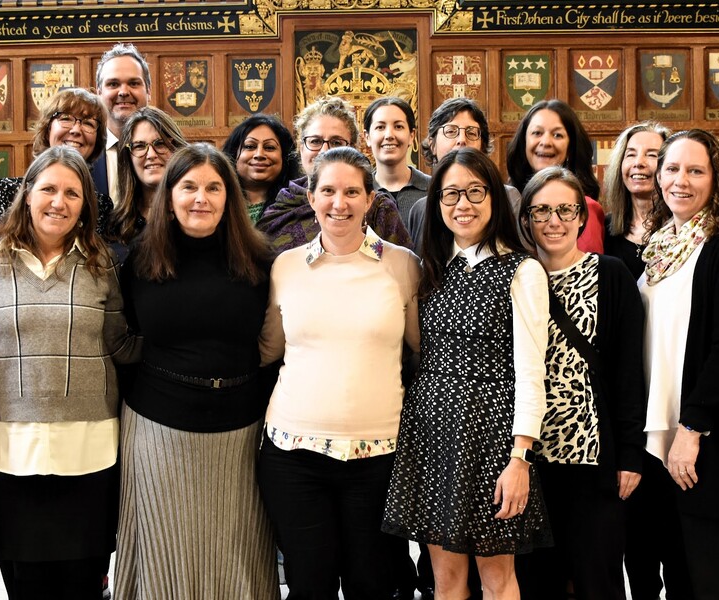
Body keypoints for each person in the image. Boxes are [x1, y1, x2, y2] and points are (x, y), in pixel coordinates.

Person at [0, 146, 137, 599]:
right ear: (27, 195)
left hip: (89, 448)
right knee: (25, 587)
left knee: (83, 585)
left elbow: (120, 341)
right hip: (11, 449)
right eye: (47, 189)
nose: (58, 202)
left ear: (86, 206)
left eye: (72, 193)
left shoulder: (107, 263)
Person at [384, 147, 550, 600]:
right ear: (436, 203)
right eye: (451, 193)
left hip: (494, 437)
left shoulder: (522, 269)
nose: (463, 204)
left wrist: (520, 458)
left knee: (497, 577)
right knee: (446, 579)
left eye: (475, 192)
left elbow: (532, 372)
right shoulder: (431, 269)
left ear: (495, 198)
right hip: (433, 432)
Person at [115, 144, 278, 599]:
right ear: (169, 196)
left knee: (237, 552)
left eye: (213, 187)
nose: (200, 198)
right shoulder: (139, 262)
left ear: (231, 198)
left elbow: (272, 347)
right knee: (165, 553)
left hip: (240, 432)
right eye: (188, 187)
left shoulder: (261, 261)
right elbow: (124, 341)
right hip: (157, 430)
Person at [257, 147, 421, 600]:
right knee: (311, 584)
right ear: (311, 198)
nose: (339, 203)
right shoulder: (286, 267)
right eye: (327, 190)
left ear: (371, 199)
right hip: (293, 456)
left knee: (373, 583)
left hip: (379, 457)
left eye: (352, 191)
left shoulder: (402, 265)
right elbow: (269, 349)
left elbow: (421, 350)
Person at [631, 129, 719, 600]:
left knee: (713, 579)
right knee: (677, 574)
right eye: (672, 169)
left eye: (695, 170)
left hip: (706, 440)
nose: (680, 181)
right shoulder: (657, 248)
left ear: (717, 179)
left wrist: (690, 431)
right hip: (658, 438)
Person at [513, 166, 646, 600]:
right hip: (528, 461)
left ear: (582, 218)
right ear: (526, 218)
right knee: (537, 582)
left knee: (598, 579)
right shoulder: (514, 278)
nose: (554, 221)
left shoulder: (610, 275)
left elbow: (628, 373)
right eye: (542, 210)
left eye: (566, 210)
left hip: (592, 458)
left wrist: (630, 454)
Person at [256, 95, 410, 253]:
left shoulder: (379, 209)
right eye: (315, 141)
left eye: (336, 142)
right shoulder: (279, 211)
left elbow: (401, 270)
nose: (324, 151)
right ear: (301, 148)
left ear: (354, 149)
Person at [0, 88, 114, 251]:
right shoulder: (1, 192)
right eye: (66, 119)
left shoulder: (101, 206)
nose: (76, 130)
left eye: (88, 123)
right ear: (47, 128)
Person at [404, 98, 518, 248]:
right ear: (432, 145)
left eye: (471, 133)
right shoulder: (420, 209)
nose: (462, 140)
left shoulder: (509, 198)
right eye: (451, 131)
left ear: (483, 146)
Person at [506, 100, 605, 253]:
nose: (545, 142)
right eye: (537, 133)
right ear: (523, 142)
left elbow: (588, 271)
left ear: (571, 147)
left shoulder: (586, 209)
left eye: (557, 135)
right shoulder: (506, 202)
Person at [107, 106, 187, 246]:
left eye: (160, 144)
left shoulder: (196, 214)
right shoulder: (115, 225)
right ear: (128, 158)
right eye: (139, 146)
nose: (151, 155)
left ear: (176, 149)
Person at [601, 122, 671, 280]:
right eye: (631, 154)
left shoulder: (682, 229)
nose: (638, 163)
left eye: (652, 155)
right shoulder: (603, 228)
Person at [92, 42, 152, 199]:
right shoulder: (84, 155)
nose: (124, 92)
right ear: (99, 93)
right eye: (113, 84)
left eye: (133, 83)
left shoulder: (170, 153)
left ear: (148, 91)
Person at [221, 114, 299, 224]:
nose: (259, 154)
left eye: (269, 147)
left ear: (285, 157)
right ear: (234, 154)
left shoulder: (301, 206)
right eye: (250, 146)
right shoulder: (216, 204)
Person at [364, 96, 430, 225]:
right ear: (367, 137)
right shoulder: (359, 192)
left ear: (412, 136)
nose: (389, 135)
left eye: (398, 127)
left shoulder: (434, 189)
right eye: (380, 127)